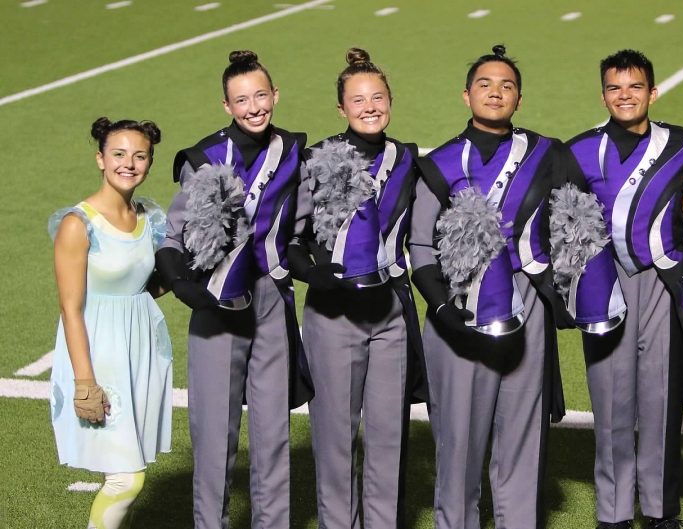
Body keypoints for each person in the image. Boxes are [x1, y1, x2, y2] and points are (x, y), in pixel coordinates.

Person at [408, 44, 567, 529]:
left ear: (519, 99)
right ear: (466, 96)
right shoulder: (439, 163)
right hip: (457, 311)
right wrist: (443, 311)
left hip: (527, 307)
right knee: (458, 443)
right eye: (485, 84)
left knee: (522, 434)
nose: (496, 93)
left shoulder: (546, 154)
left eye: (507, 86)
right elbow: (419, 247)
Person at [155, 50, 312, 529]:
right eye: (242, 100)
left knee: (272, 436)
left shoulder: (294, 151)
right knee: (215, 436)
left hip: (271, 301)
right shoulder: (204, 158)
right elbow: (174, 239)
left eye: (261, 95)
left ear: (275, 95)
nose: (254, 107)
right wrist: (185, 287)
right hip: (216, 303)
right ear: (226, 106)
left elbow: (303, 230)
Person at [562, 49, 683, 529]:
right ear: (603, 94)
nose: (625, 96)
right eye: (614, 88)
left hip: (662, 283)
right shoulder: (579, 150)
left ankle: (661, 512)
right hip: (604, 286)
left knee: (661, 403)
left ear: (653, 91)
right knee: (610, 402)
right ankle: (614, 513)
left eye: (635, 87)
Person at [289, 47, 426, 529]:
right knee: (335, 436)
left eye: (378, 97)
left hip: (390, 312)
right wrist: (312, 273)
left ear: (390, 101)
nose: (369, 106)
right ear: (341, 108)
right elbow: (289, 239)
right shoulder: (315, 160)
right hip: (333, 315)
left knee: (389, 434)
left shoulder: (408, 158)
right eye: (358, 99)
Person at [49, 117, 171, 529]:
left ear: (150, 162)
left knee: (129, 470)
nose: (129, 164)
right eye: (118, 154)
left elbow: (145, 285)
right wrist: (85, 382)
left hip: (140, 351)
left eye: (139, 155)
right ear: (100, 159)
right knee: (126, 478)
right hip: (98, 355)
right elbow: (70, 307)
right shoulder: (77, 224)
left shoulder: (149, 218)